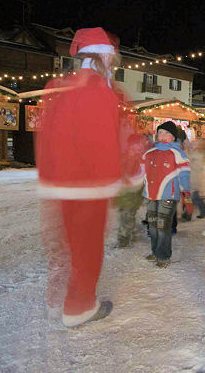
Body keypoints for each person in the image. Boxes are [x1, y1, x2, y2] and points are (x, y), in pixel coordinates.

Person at [36, 27, 127, 327]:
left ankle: (58, 301)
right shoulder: (98, 90)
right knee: (88, 251)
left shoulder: (61, 87)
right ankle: (79, 308)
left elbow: (47, 138)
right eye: (111, 59)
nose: (112, 64)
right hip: (88, 186)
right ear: (103, 56)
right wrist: (112, 179)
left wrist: (49, 177)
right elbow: (99, 142)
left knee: (70, 247)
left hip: (62, 185)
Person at [142, 121, 193, 268]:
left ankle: (163, 255)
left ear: (172, 137)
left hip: (168, 195)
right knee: (152, 225)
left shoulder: (177, 153)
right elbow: (141, 171)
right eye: (160, 133)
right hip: (151, 194)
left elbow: (184, 175)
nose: (162, 136)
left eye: (166, 133)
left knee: (162, 226)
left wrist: (186, 195)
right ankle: (155, 251)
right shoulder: (150, 152)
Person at [116, 133, 149, 248]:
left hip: (135, 191)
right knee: (126, 214)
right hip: (125, 191)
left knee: (128, 214)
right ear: (130, 145)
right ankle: (128, 236)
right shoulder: (126, 157)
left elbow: (143, 173)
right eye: (137, 144)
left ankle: (126, 237)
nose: (140, 146)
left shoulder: (141, 158)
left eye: (141, 144)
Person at [187, 138, 205, 219]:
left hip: (194, 178)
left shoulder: (198, 154)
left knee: (194, 198)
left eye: (195, 143)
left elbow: (189, 160)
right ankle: (188, 213)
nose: (193, 144)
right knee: (193, 197)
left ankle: (203, 211)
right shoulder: (200, 154)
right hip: (195, 178)